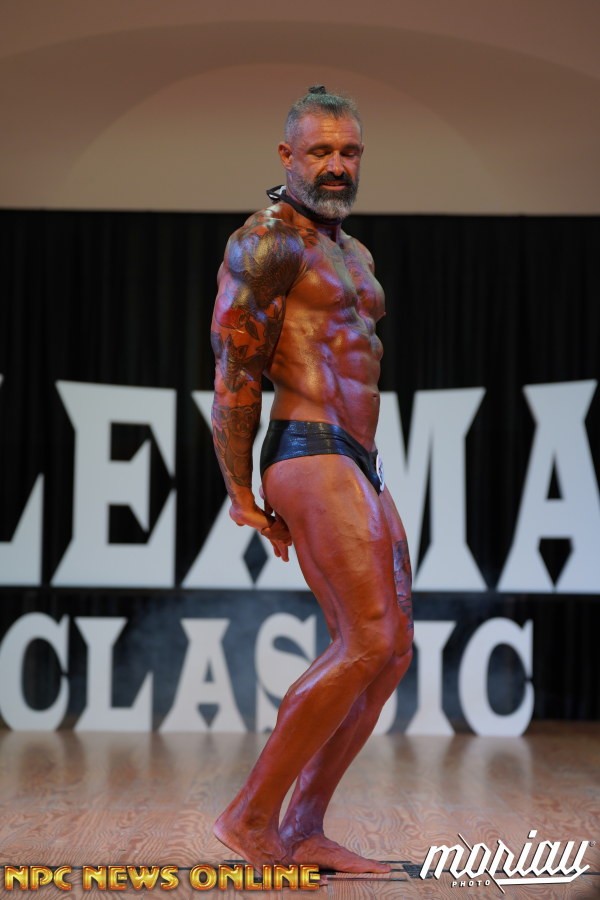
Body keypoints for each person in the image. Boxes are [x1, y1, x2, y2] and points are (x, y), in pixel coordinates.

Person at [210, 86, 413, 875]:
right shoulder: (264, 244)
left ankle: (302, 828)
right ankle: (249, 816)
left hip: (360, 456)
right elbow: (235, 373)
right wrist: (240, 493)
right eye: (321, 150)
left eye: (349, 151)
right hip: (307, 446)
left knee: (391, 651)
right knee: (367, 639)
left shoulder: (354, 255)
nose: (337, 164)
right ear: (287, 156)